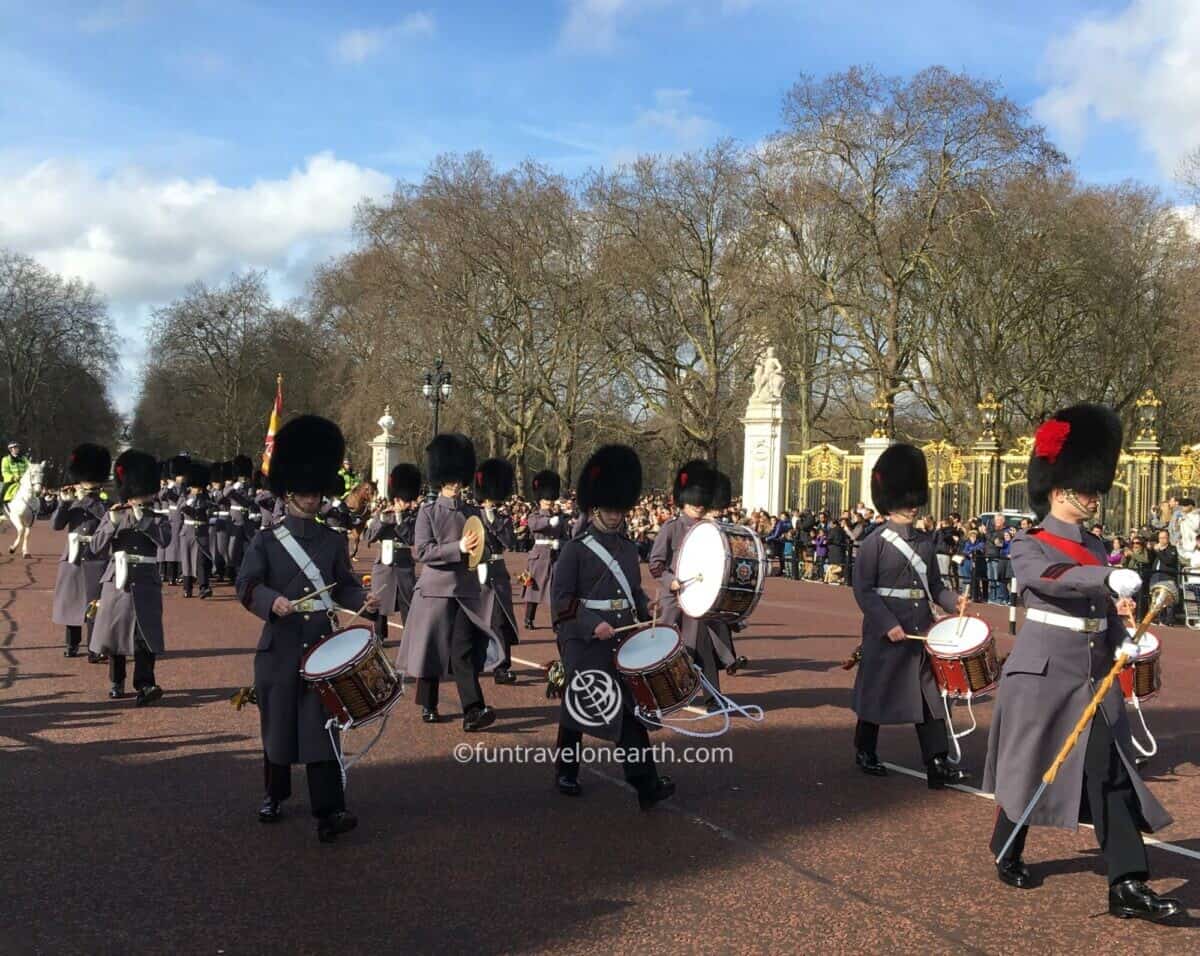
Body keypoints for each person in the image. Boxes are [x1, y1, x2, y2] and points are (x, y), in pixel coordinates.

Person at [984, 404, 1180, 922]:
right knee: (1031, 770)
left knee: (1109, 772)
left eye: (1096, 488)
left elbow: (1105, 609)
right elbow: (1048, 579)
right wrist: (1103, 579)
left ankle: (1127, 885)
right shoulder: (1029, 541)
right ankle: (1008, 843)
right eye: (1086, 487)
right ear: (1057, 487)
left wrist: (1124, 640)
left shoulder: (1096, 544)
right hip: (1045, 674)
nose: (1094, 497)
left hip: (1093, 676)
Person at [235, 415, 378, 843]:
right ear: (289, 493)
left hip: (320, 646)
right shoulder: (266, 540)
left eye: (317, 492)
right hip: (280, 646)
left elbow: (346, 587)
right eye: (306, 493)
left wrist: (364, 602)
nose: (314, 499)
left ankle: (329, 810)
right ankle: (274, 794)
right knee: (278, 728)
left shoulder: (332, 541)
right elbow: (246, 585)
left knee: (322, 729)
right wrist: (270, 602)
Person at [551, 444, 675, 809]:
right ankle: (642, 784)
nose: (617, 515)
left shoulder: (625, 546)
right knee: (613, 712)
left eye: (621, 509)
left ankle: (574, 771)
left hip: (621, 638)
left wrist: (644, 606)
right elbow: (561, 601)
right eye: (610, 509)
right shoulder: (575, 549)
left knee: (606, 706)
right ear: (594, 508)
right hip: (584, 639)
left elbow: (632, 590)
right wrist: (593, 625)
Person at [851, 443, 969, 786]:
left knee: (929, 697)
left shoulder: (925, 541)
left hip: (920, 630)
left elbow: (934, 585)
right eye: (907, 500)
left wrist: (954, 603)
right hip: (886, 630)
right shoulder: (874, 542)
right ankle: (865, 750)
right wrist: (887, 624)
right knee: (877, 693)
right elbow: (864, 591)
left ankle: (935, 760)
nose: (913, 507)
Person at [402, 433, 499, 731]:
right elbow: (422, 551)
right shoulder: (427, 512)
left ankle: (473, 709)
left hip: (466, 591)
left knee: (463, 650)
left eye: (459, 479)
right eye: (451, 480)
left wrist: (483, 550)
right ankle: (429, 703)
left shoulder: (472, 513)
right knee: (432, 649)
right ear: (441, 479)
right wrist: (457, 548)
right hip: (435, 591)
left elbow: (483, 548)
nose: (456, 485)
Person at [649, 461, 740, 710]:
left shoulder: (710, 528)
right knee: (675, 653)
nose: (698, 509)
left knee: (704, 650)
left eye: (701, 504)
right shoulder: (672, 528)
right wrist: (671, 581)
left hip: (700, 600)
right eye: (693, 504)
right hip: (676, 600)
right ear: (683, 503)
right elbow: (656, 564)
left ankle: (713, 698)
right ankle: (666, 695)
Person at [89, 450, 172, 704]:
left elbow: (165, 541)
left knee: (144, 635)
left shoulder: (157, 517)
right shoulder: (114, 514)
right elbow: (95, 548)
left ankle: (145, 684)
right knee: (116, 632)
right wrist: (112, 523)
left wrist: (143, 520)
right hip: (118, 579)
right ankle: (117, 680)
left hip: (146, 579)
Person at [50, 443, 112, 661]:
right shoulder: (71, 499)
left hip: (97, 556)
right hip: (73, 556)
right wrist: (64, 504)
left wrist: (84, 498)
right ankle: (72, 643)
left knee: (95, 605)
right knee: (71, 602)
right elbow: (56, 525)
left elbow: (105, 519)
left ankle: (95, 647)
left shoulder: (105, 502)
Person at [474, 458, 520, 685]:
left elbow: (510, 542)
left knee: (500, 620)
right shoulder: (471, 515)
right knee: (473, 620)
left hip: (498, 571)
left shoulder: (503, 518)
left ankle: (502, 667)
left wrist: (493, 520)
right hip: (476, 571)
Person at [364, 463, 421, 642]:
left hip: (404, 564)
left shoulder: (413, 517)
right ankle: (379, 636)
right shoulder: (383, 514)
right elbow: (368, 537)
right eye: (401, 499)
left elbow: (411, 538)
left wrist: (399, 518)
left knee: (408, 603)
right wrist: (382, 519)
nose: (403, 503)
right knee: (379, 602)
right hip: (384, 564)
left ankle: (411, 637)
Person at [522, 470, 567, 630]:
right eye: (546, 499)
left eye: (550, 499)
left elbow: (565, 537)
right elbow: (534, 526)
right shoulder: (535, 515)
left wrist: (559, 544)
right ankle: (528, 618)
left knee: (555, 591)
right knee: (533, 590)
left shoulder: (559, 517)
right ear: (540, 500)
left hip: (554, 556)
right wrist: (549, 522)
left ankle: (556, 622)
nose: (549, 502)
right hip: (539, 556)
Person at [178, 461, 214, 599]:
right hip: (188, 530)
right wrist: (192, 497)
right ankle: (187, 587)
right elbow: (181, 507)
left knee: (202, 560)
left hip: (202, 531)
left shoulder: (206, 496)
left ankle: (204, 587)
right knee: (187, 559)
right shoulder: (185, 496)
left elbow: (211, 508)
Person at [985, 513, 1008, 604]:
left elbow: (1001, 543)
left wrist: (997, 541)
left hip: (997, 556)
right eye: (996, 520)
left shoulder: (1004, 531)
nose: (997, 522)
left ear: (1003, 521)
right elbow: (991, 539)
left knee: (997, 578)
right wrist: (994, 539)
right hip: (988, 556)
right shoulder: (990, 530)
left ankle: (999, 597)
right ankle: (992, 597)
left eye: (999, 520)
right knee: (990, 579)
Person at [1, 439, 29, 506]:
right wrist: (12, 477)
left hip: (23, 481)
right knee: (2, 492)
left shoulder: (24, 459)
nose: (16, 449)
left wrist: (24, 477)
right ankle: (1, 507)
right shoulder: (6, 459)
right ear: (10, 449)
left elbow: (28, 469)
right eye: (14, 448)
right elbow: (5, 471)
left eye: (17, 447)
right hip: (11, 481)